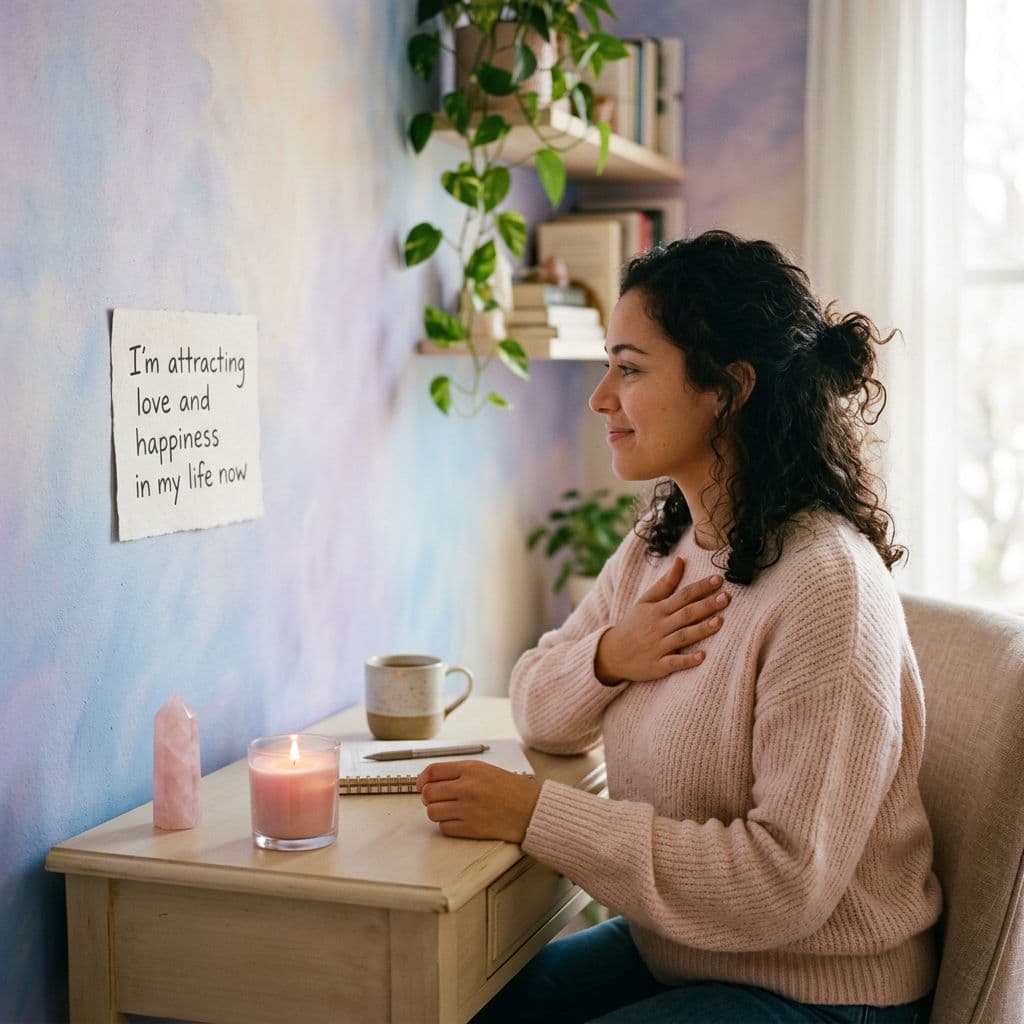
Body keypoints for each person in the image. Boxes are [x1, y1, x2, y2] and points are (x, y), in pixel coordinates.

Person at [417, 231, 942, 1023]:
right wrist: (608, 656)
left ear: (728, 390)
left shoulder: (826, 587)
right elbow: (537, 707)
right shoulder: (664, 543)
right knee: (453, 1010)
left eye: (629, 368)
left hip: (823, 988)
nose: (600, 398)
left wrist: (535, 815)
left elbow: (785, 883)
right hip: (682, 950)